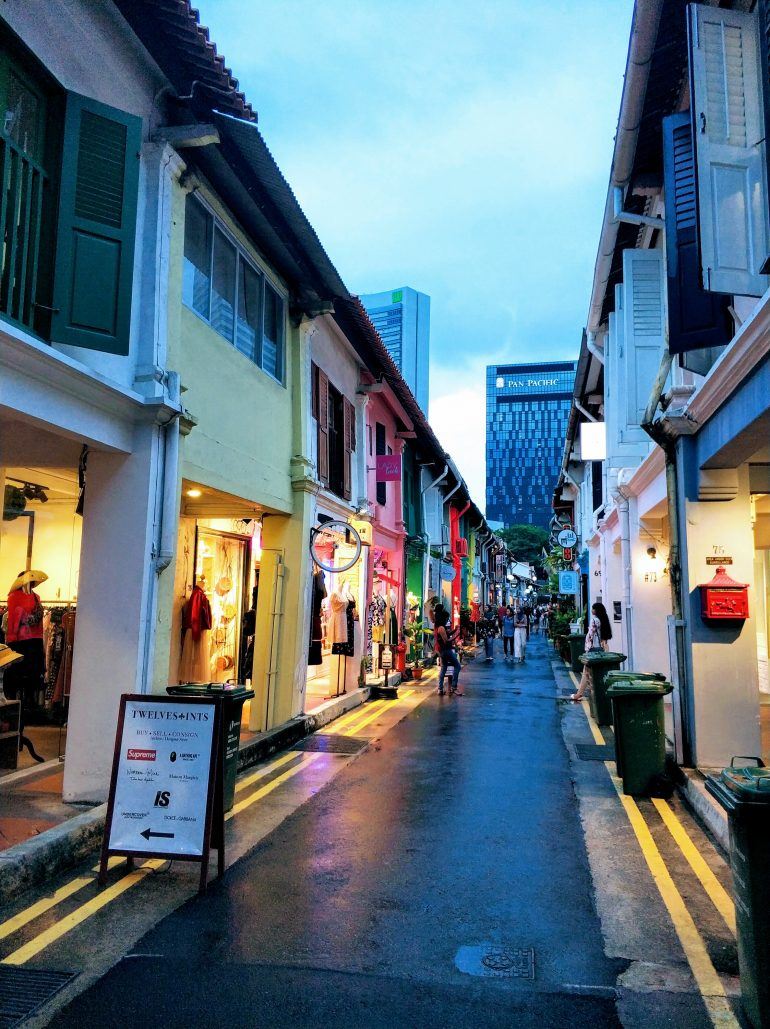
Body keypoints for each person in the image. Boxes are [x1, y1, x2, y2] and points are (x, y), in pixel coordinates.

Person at [570, 602, 613, 701]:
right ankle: (595, 693)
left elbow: (590, 635)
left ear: (596, 610)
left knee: (586, 672)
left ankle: (580, 694)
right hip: (601, 649)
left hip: (592, 649)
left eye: (593, 608)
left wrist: (587, 649)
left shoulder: (594, 620)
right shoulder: (603, 620)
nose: (592, 610)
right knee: (597, 672)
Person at [434, 604, 462, 696]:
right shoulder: (441, 628)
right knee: (457, 666)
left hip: (442, 650)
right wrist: (456, 636)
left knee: (444, 669)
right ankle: (454, 686)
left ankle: (440, 689)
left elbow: (447, 633)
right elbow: (446, 640)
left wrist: (455, 630)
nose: (447, 620)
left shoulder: (439, 626)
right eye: (446, 619)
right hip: (446, 650)